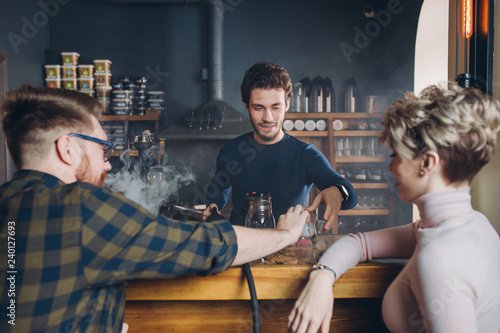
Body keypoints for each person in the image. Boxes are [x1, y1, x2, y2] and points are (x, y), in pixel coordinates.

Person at [0, 85, 310, 333]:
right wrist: (283, 233)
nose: (107, 163)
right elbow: (208, 246)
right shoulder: (81, 207)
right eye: (102, 149)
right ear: (67, 148)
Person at [287, 83, 500, 333]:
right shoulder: (469, 225)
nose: (390, 167)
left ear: (427, 163)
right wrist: (322, 277)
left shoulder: (440, 256)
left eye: (396, 155)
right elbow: (360, 243)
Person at [203, 61, 357, 231]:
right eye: (258, 108)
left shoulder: (305, 155)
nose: (268, 117)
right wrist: (214, 206)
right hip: (240, 245)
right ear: (247, 106)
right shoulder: (231, 151)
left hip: (289, 248)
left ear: (287, 104)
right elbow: (218, 188)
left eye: (276, 107)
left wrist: (338, 192)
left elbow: (349, 193)